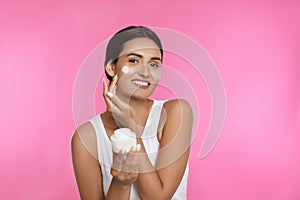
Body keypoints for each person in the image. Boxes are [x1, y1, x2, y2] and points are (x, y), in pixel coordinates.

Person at [71, 25, 193, 200]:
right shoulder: (86, 137)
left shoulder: (176, 112)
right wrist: (121, 184)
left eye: (153, 64)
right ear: (112, 68)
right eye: (134, 61)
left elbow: (158, 197)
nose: (145, 72)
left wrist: (130, 126)